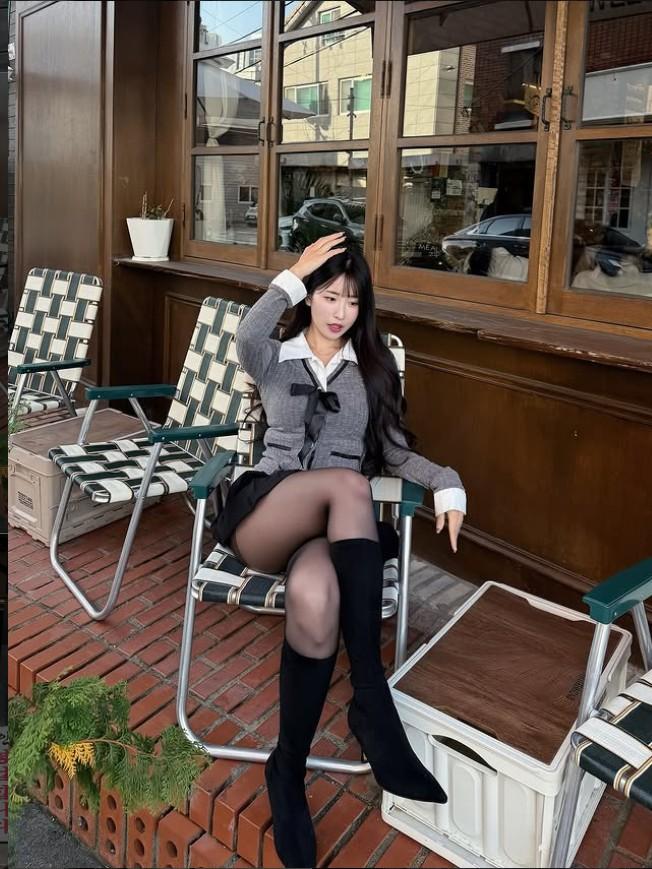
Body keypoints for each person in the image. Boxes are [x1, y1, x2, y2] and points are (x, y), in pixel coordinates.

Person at [212, 232, 466, 868]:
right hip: (267, 516)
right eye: (329, 296)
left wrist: (448, 483)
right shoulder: (273, 356)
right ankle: (370, 699)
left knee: (316, 595)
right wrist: (294, 274)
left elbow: (397, 453)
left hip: (330, 539)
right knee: (350, 484)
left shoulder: (371, 371)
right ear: (311, 297)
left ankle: (286, 770)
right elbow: (246, 332)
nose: (339, 312)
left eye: (352, 301)